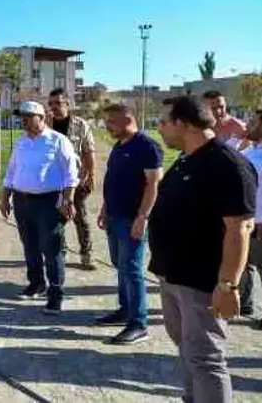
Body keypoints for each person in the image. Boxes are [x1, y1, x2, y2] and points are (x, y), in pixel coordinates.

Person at [149, 95, 257, 403]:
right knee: (188, 351)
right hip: (173, 276)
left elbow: (239, 229)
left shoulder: (227, 164)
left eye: (164, 122)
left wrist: (227, 285)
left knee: (206, 358)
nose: (159, 128)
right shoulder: (186, 159)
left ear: (184, 124)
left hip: (201, 283)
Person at [0, 100, 79, 314]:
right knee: (30, 245)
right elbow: (11, 172)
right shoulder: (21, 142)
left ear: (42, 118)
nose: (23, 121)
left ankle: (56, 294)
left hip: (49, 202)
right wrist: (5, 197)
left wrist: (67, 200)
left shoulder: (58, 140)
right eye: (22, 117)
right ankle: (36, 283)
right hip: (22, 201)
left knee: (52, 249)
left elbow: (71, 175)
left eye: (28, 117)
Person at [95, 104, 163, 344]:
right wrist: (105, 208)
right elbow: (112, 180)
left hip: (132, 219)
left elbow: (153, 184)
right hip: (115, 216)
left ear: (127, 119)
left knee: (132, 269)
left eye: (111, 121)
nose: (107, 126)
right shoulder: (118, 146)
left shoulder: (146, 146)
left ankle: (138, 323)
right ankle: (125, 310)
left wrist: (142, 217)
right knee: (120, 265)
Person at [47, 88, 97, 270]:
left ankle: (87, 253)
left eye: (58, 103)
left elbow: (89, 152)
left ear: (67, 104)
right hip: (52, 182)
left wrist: (90, 176)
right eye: (51, 104)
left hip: (76, 180)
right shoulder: (45, 125)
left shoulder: (80, 125)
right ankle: (61, 250)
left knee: (80, 217)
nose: (54, 107)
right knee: (54, 218)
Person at [239, 110, 262, 321]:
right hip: (246, 221)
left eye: (253, 122)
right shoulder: (248, 153)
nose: (247, 125)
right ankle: (245, 304)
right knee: (244, 264)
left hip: (260, 223)